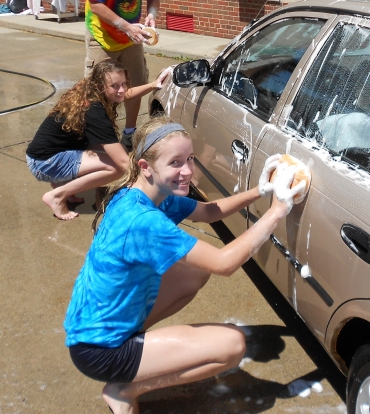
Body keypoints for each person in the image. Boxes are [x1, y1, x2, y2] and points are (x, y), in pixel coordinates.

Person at [63, 118, 306, 414]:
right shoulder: (143, 222)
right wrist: (278, 210)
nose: (188, 170)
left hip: (94, 328)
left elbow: (208, 211)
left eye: (189, 158)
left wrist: (261, 191)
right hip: (100, 351)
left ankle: (135, 349)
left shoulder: (145, 194)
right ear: (145, 166)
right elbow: (224, 263)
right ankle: (125, 388)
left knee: (194, 271)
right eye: (176, 162)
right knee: (232, 346)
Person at [26, 60, 171, 221]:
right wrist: (158, 186)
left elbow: (124, 95)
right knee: (116, 166)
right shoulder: (94, 111)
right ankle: (58, 195)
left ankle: (62, 184)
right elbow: (123, 162)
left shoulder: (88, 91)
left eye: (124, 83)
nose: (121, 89)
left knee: (111, 151)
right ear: (100, 86)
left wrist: (153, 85)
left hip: (45, 155)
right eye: (115, 86)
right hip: (45, 163)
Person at [83, 0, 161, 150]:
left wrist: (151, 16)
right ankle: (101, 137)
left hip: (132, 38)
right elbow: (95, 4)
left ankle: (129, 133)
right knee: (98, 92)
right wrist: (125, 26)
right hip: (102, 38)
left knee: (134, 86)